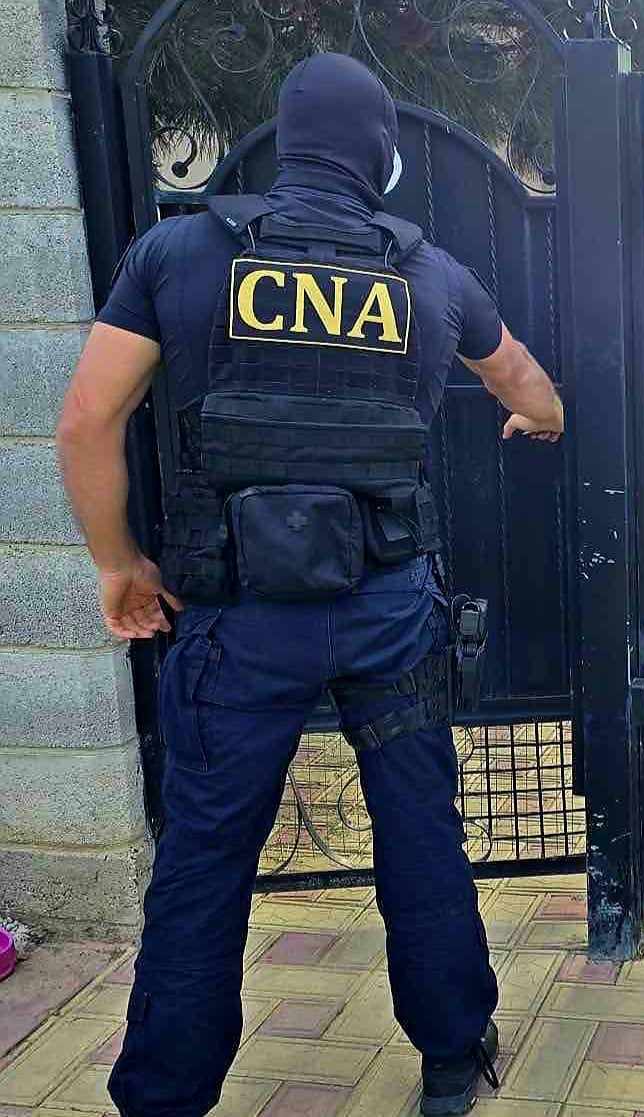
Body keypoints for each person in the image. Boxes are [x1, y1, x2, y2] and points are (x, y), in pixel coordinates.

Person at [56, 52, 563, 1117]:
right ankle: (451, 1060)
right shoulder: (431, 277)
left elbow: (89, 418)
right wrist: (535, 417)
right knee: (420, 831)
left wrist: (119, 563)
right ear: (380, 156)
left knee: (204, 860)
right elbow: (530, 387)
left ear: (287, 143)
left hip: (236, 619)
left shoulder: (181, 253)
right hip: (387, 613)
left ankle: (163, 1098)